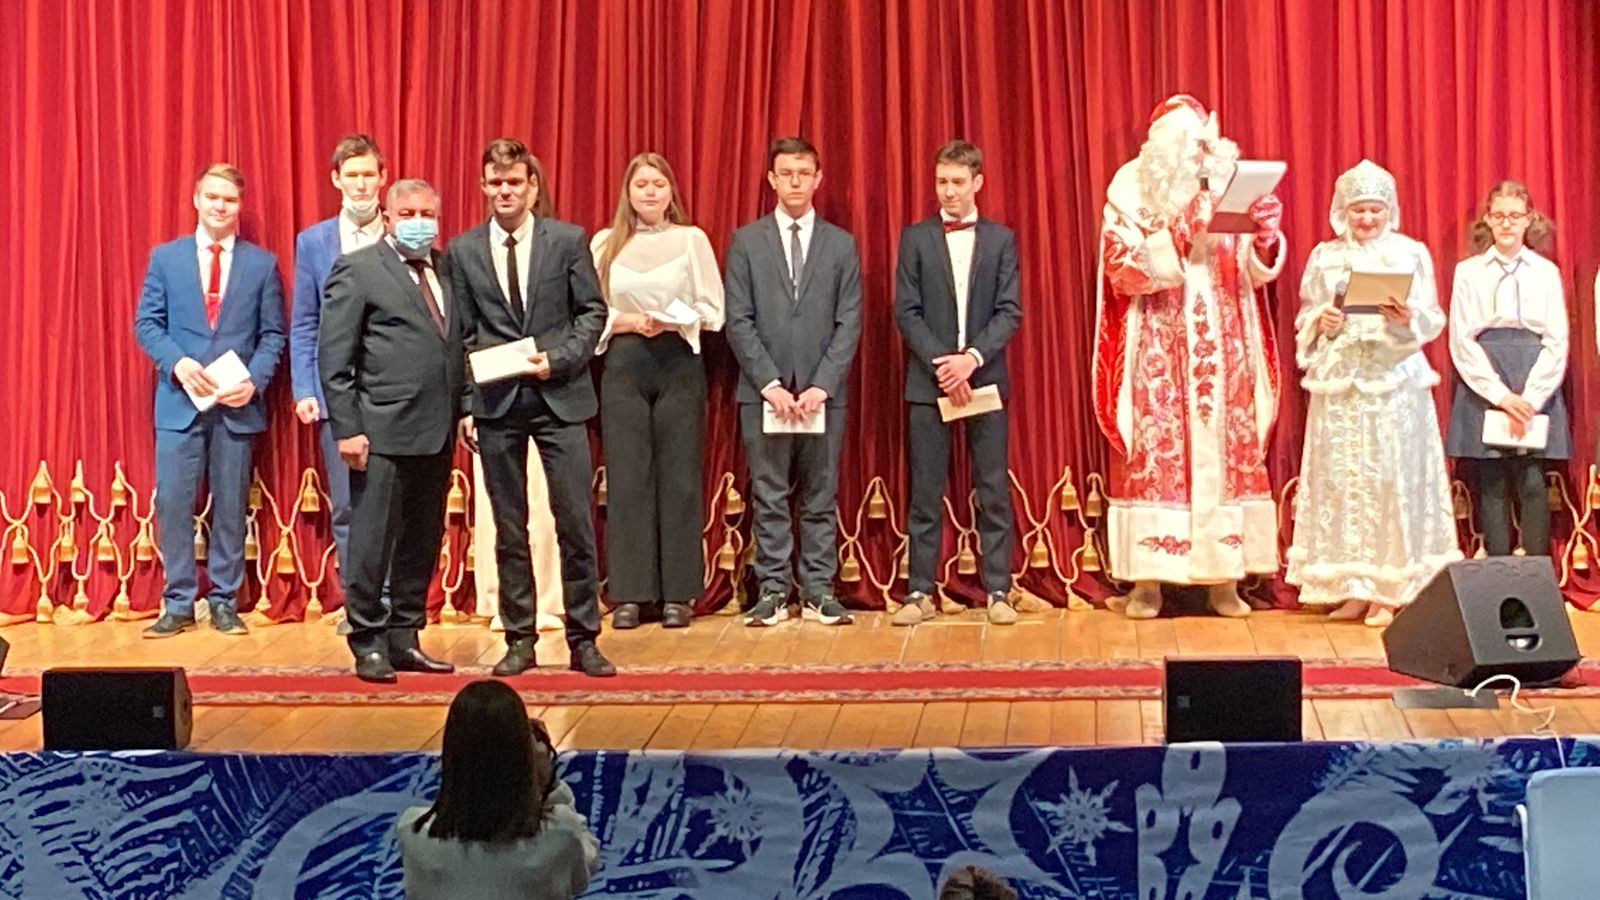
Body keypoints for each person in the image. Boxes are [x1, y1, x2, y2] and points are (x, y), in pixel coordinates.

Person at [1093, 95, 1285, 619]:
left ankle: (1225, 579)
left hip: (1227, 342)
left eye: (1206, 145)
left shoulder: (1229, 186)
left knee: (1229, 457)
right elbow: (1121, 269)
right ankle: (1148, 581)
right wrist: (1180, 231)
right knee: (1157, 456)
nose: (1202, 155)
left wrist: (1265, 239)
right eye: (1191, 145)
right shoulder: (1130, 190)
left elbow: (1254, 271)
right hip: (1160, 342)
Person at [451, 138, 614, 677]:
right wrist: (467, 403)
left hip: (559, 398)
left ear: (533, 187)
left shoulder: (567, 240)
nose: (505, 191)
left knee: (574, 523)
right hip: (497, 403)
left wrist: (559, 360)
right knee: (509, 526)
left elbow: (592, 313)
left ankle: (584, 639)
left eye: (514, 182)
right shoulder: (464, 250)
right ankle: (519, 639)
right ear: (483, 186)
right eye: (496, 183)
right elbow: (462, 334)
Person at [1286, 160, 1462, 626]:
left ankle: (1391, 587)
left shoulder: (1410, 253)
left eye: (1375, 210)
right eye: (1359, 210)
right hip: (1342, 382)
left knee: (1389, 479)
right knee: (1344, 479)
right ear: (1343, 210)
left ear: (1390, 211)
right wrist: (1321, 322)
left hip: (1393, 382)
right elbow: (1306, 317)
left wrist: (1405, 319)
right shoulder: (1325, 256)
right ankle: (1355, 585)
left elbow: (1431, 317)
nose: (1367, 219)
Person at [319, 178, 465, 681]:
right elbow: (334, 357)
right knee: (372, 543)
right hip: (380, 431)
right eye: (408, 214)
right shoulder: (358, 269)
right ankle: (367, 640)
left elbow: (455, 344)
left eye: (427, 214)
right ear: (388, 217)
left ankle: (405, 636)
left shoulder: (447, 268)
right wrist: (347, 428)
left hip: (436, 429)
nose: (418, 222)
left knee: (421, 540)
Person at [133, 163, 286, 638]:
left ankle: (224, 600)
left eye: (230, 199)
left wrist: (255, 381)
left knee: (231, 505)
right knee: (173, 504)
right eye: (213, 197)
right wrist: (176, 363)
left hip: (236, 406)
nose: (221, 206)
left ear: (240, 206)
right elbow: (147, 323)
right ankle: (178, 601)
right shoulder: (166, 258)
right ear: (196, 200)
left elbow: (273, 334)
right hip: (179, 404)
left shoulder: (262, 265)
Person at [725, 136, 863, 627]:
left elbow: (850, 320)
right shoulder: (746, 242)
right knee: (769, 495)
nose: (796, 182)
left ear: (818, 179)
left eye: (804, 173)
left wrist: (822, 385)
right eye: (786, 174)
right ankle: (773, 590)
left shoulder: (841, 244)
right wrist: (771, 385)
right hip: (766, 394)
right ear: (772, 179)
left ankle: (820, 589)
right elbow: (738, 319)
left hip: (823, 395)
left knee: (821, 495)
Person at [590, 152, 725, 630]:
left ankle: (678, 594)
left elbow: (713, 310)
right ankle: (630, 593)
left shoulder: (691, 240)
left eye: (658, 183)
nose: (649, 191)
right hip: (625, 363)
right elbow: (589, 311)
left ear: (671, 192)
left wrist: (673, 319)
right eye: (641, 184)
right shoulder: (605, 243)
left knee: (679, 478)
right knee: (628, 478)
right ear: (628, 193)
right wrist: (627, 320)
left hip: (677, 361)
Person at [892, 140, 1023, 626]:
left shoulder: (1001, 240)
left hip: (983, 379)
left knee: (992, 489)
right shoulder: (915, 238)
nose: (948, 191)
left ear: (977, 182)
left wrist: (970, 360)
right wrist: (943, 366)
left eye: (958, 182)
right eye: (942, 182)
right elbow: (906, 311)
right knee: (925, 492)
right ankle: (920, 592)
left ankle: (998, 590)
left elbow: (1009, 311)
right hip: (930, 384)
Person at [290, 134, 390, 624]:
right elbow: (305, 320)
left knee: (392, 504)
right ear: (336, 180)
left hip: (394, 392)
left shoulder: (401, 232)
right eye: (352, 175)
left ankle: (392, 603)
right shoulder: (313, 242)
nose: (361, 184)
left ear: (383, 178)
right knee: (349, 507)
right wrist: (304, 388)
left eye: (369, 174)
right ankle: (360, 605)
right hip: (338, 392)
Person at [1445, 180, 1569, 558]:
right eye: (1499, 215)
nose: (1507, 224)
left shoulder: (1545, 272)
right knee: (1492, 481)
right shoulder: (1469, 272)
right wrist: (1500, 395)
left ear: (1529, 219)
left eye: (1515, 216)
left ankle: (1536, 572)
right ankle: (1497, 573)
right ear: (1487, 219)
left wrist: (1530, 397)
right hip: (1486, 377)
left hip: (1534, 375)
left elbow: (1556, 339)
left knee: (1532, 479)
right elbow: (1461, 339)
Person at [396, 680, 600, 900]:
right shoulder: (560, 833)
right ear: (525, 759)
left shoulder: (412, 831)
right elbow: (583, 871)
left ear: (451, 756)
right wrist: (550, 783)